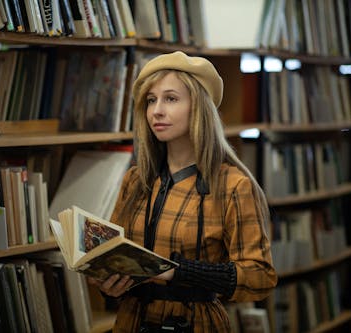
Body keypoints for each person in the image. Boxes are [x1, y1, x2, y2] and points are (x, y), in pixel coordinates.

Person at [88, 51, 277, 332]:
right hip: (130, 322)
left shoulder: (233, 185)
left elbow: (260, 277)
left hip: (195, 324)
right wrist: (110, 285)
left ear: (198, 107)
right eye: (151, 100)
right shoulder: (135, 180)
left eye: (171, 98)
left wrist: (177, 271)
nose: (156, 111)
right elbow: (118, 257)